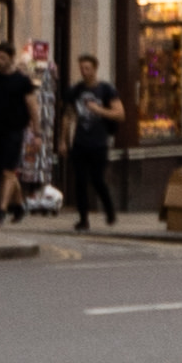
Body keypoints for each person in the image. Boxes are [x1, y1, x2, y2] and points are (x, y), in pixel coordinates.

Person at [0, 43, 38, 226]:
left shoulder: (22, 81)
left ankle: (1, 211)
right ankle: (20, 206)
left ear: (12, 58)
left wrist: (37, 132)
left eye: (3, 57)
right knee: (4, 173)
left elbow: (32, 106)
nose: (0, 61)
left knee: (8, 171)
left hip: (15, 130)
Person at [63, 54, 121, 231]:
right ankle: (83, 219)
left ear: (95, 69)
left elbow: (120, 114)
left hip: (99, 142)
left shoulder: (106, 90)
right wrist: (63, 141)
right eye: (81, 68)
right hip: (80, 141)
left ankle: (109, 211)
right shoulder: (76, 90)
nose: (84, 72)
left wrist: (99, 110)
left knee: (97, 179)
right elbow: (68, 116)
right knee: (79, 181)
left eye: (87, 68)